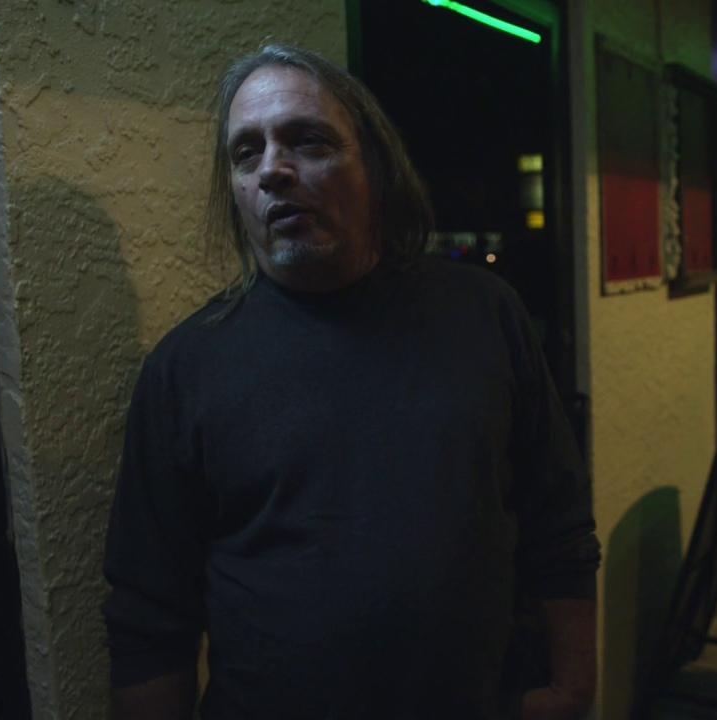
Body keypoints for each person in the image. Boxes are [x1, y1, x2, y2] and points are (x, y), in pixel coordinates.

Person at [102, 44, 600, 720]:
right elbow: (148, 616)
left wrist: (574, 688)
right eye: (246, 153)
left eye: (306, 141)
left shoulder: (483, 313)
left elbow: (558, 523)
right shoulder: (185, 370)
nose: (273, 170)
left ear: (376, 167)